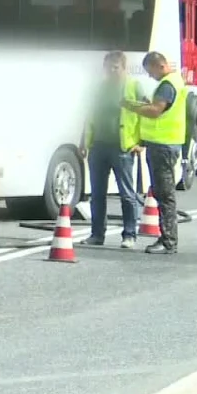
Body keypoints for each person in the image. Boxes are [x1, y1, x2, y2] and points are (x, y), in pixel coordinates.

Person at [122, 51, 188, 254]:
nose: (150, 76)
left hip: (164, 146)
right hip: (165, 144)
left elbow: (155, 111)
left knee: (164, 194)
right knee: (162, 193)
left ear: (159, 65)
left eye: (150, 71)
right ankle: (167, 238)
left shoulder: (167, 85)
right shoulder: (175, 80)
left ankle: (168, 241)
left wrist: (130, 105)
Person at [79, 51, 143, 249]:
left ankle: (129, 234)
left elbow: (146, 114)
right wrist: (83, 141)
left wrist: (141, 142)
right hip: (98, 145)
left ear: (124, 68)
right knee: (97, 193)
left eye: (116, 67)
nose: (111, 71)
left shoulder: (133, 86)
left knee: (126, 193)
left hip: (122, 147)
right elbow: (89, 115)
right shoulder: (99, 87)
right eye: (108, 67)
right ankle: (97, 234)